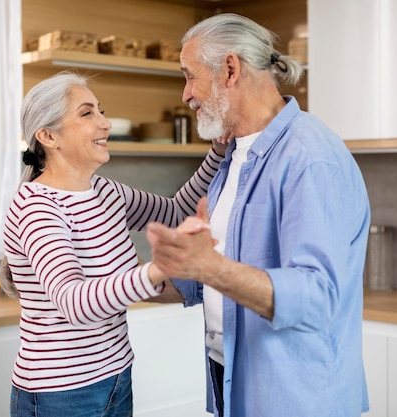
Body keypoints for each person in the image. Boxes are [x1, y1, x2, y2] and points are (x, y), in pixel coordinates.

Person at [145, 13, 371, 417]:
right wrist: (109, 283)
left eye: (189, 75)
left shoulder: (310, 157)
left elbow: (317, 297)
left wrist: (209, 267)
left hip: (297, 400)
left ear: (230, 69)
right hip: (233, 385)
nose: (185, 94)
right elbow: (205, 279)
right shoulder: (233, 156)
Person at [0, 70, 227, 417]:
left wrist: (217, 153)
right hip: (61, 394)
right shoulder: (38, 206)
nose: (104, 124)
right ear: (47, 135)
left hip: (116, 377)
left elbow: (175, 211)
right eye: (87, 113)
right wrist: (158, 270)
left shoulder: (105, 191)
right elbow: (73, 302)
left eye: (100, 110)